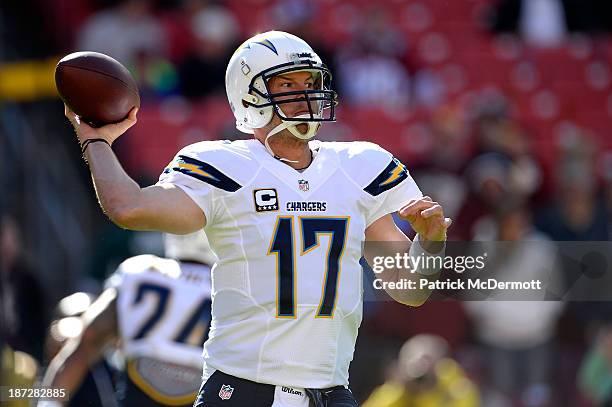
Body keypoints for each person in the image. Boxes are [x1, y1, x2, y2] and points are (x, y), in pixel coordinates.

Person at [63, 30, 451, 407]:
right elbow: (128, 208)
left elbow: (410, 290)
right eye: (288, 84)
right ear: (250, 94)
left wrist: (430, 244)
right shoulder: (224, 165)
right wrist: (95, 139)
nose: (305, 94)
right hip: (243, 390)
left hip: (331, 392)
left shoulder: (361, 166)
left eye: (310, 81)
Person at [39, 231, 215, 407]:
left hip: (138, 393)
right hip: (202, 393)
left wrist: (49, 403)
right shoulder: (228, 287)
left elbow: (91, 336)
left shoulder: (140, 271)